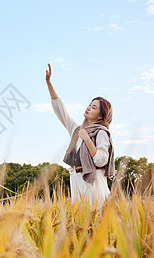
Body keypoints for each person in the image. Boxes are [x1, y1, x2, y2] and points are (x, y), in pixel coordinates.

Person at [45, 63, 115, 204]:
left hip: (92, 181)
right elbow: (61, 111)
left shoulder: (101, 132)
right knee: (80, 219)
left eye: (93, 107)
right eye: (90, 104)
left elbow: (101, 160)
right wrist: (49, 83)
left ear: (101, 116)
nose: (88, 108)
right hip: (76, 179)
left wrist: (88, 140)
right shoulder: (77, 130)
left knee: (95, 216)